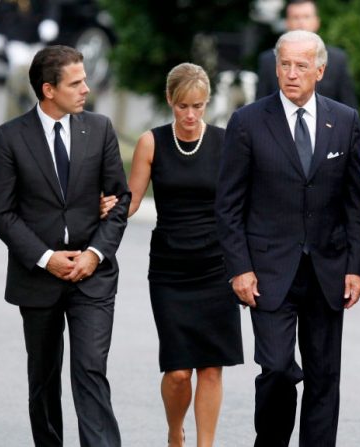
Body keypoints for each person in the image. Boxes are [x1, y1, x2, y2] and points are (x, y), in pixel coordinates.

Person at [216, 30, 360, 446]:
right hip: (267, 271)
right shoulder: (248, 121)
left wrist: (357, 268)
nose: (291, 73)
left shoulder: (344, 120)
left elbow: (356, 203)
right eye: (284, 64)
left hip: (327, 269)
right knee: (278, 368)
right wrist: (240, 269)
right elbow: (228, 205)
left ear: (320, 70)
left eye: (301, 65)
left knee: (324, 375)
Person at [0, 45, 130, 446]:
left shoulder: (99, 129)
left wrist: (93, 254)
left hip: (92, 276)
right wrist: (47, 259)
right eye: (76, 82)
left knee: (90, 371)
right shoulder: (9, 138)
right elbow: (2, 214)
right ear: (49, 89)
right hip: (38, 277)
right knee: (44, 378)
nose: (86, 88)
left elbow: (120, 201)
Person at [119, 62, 244, 447]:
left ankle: (205, 444)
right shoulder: (151, 143)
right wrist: (97, 207)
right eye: (183, 106)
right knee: (177, 372)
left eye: (199, 106)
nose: (191, 115)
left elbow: (241, 206)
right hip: (171, 270)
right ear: (170, 101)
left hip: (216, 267)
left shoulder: (226, 143)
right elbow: (131, 201)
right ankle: (176, 432)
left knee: (210, 367)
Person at [255, 0, 358, 109]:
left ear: (316, 21)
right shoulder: (269, 60)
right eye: (295, 17)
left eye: (306, 17)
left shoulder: (337, 59)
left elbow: (348, 105)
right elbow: (261, 106)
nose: (301, 22)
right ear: (287, 22)